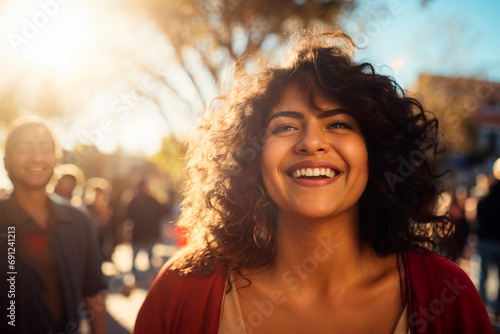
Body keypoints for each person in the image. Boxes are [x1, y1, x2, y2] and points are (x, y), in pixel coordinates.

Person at [134, 31, 492, 333]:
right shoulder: (182, 289)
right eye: (285, 126)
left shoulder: (449, 295)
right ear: (251, 156)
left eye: (338, 124)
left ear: (376, 152)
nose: (311, 142)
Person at [0, 116, 107, 334]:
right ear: (6, 161)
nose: (36, 157)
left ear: (55, 159)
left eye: (45, 148)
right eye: (24, 148)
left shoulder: (78, 221)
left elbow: (93, 292)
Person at [126, 178, 164, 279]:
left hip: (142, 233)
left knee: (146, 255)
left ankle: (142, 274)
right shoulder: (151, 200)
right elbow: (161, 213)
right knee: (145, 255)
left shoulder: (135, 200)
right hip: (145, 233)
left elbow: (129, 216)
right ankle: (146, 274)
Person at [476, 180, 500, 314]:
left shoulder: (483, 203)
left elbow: (478, 222)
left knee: (483, 275)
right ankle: (497, 307)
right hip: (497, 243)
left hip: (485, 243)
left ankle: (481, 305)